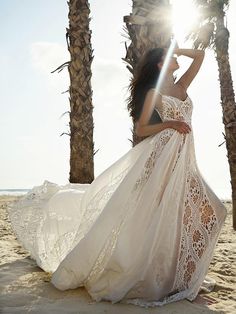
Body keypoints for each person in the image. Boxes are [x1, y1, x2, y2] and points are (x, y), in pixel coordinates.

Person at [8, 44, 227, 308]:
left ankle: (184, 279)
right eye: (172, 58)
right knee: (166, 218)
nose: (177, 59)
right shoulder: (154, 93)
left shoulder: (181, 86)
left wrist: (177, 48)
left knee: (210, 212)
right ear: (161, 64)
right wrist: (170, 123)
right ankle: (179, 283)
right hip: (164, 155)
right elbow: (142, 128)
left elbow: (201, 55)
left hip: (184, 158)